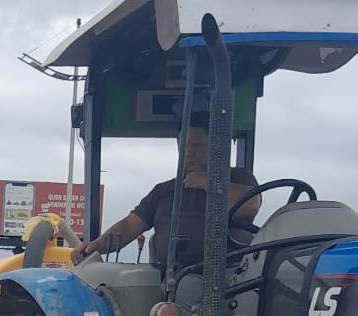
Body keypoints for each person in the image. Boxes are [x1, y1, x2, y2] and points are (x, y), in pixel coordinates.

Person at [71, 114, 261, 269]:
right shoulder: (164, 192)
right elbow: (130, 225)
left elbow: (249, 205)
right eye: (183, 147)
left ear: (216, 146)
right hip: (169, 282)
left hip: (229, 279)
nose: (188, 153)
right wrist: (96, 246)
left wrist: (206, 182)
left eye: (195, 146)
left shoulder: (237, 178)